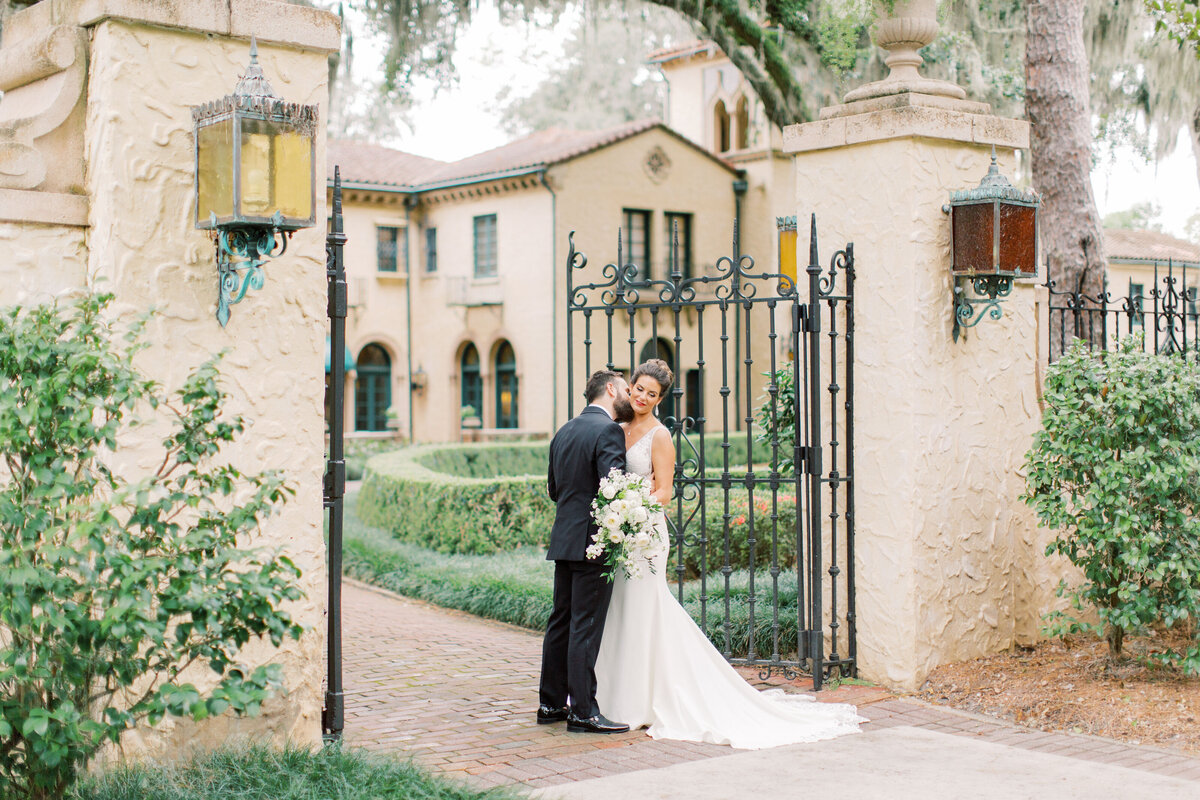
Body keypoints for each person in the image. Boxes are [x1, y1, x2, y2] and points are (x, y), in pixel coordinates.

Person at [594, 358, 865, 749]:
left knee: (643, 608)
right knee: (619, 607)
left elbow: (665, 491)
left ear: (660, 400)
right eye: (638, 389)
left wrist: (632, 505)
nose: (642, 397)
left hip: (645, 531)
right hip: (623, 531)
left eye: (652, 395)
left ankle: (643, 700)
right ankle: (613, 693)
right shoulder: (616, 429)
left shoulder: (659, 435)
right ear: (630, 386)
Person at [537, 369, 635, 734]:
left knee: (560, 621)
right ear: (611, 389)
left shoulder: (564, 430)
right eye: (626, 389)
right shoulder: (608, 430)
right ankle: (582, 711)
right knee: (585, 625)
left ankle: (550, 704)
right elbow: (615, 491)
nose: (629, 395)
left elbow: (553, 489)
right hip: (594, 542)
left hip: (564, 538)